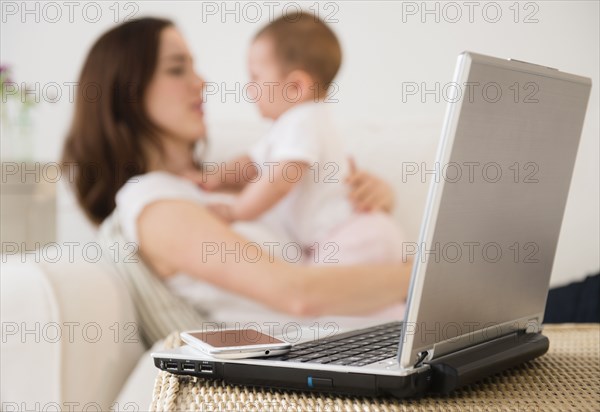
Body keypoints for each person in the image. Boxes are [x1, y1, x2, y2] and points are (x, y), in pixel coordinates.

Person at [61, 17, 412, 343]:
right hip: (325, 355)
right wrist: (420, 277)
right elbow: (299, 295)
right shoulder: (152, 202)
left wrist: (372, 199)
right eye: (176, 69)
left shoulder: (216, 187)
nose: (201, 82)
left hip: (373, 332)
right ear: (128, 94)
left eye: (194, 67)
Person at [186, 12, 405, 265]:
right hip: (348, 236)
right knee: (370, 303)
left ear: (295, 88)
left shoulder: (305, 120)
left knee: (328, 297)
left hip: (354, 235)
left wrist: (237, 210)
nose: (248, 88)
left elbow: (282, 178)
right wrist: (215, 178)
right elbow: (251, 163)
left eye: (255, 77)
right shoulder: (289, 127)